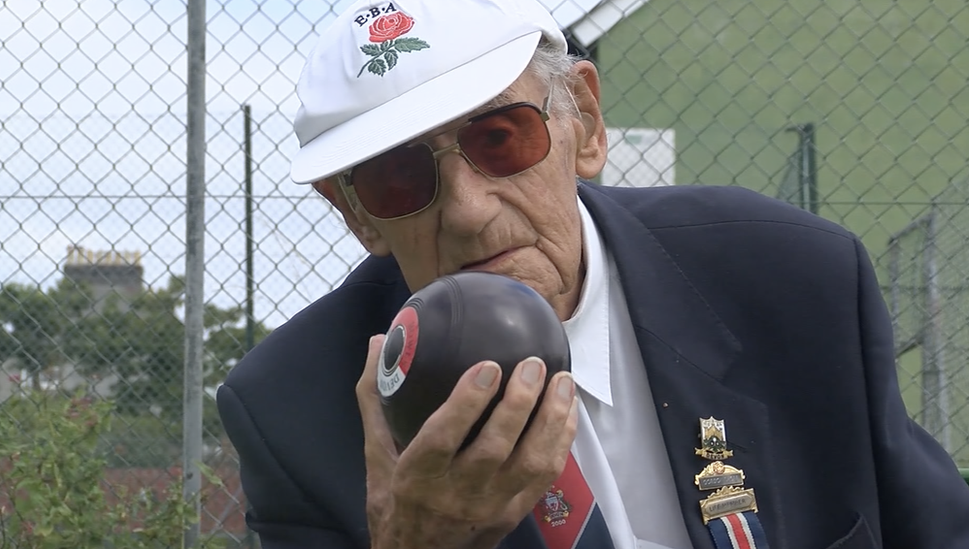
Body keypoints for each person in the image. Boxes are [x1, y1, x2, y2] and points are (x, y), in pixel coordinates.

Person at [216, 0, 969, 547]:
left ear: (584, 120)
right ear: (356, 214)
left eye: (501, 136)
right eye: (399, 178)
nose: (471, 212)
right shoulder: (294, 413)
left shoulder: (792, 281)